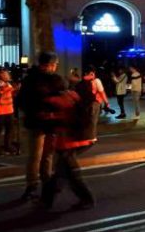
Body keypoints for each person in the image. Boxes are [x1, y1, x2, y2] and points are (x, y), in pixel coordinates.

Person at [17, 51, 66, 201]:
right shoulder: (52, 80)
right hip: (45, 121)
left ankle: (38, 185)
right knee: (43, 156)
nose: (55, 67)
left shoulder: (29, 79)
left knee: (40, 156)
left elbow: (21, 101)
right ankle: (38, 184)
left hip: (39, 121)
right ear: (50, 65)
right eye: (55, 64)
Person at [40, 82, 97, 210]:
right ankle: (46, 200)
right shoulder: (72, 96)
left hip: (69, 141)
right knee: (61, 173)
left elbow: (56, 117)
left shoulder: (55, 101)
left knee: (72, 174)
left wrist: (48, 116)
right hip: (79, 139)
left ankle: (87, 199)